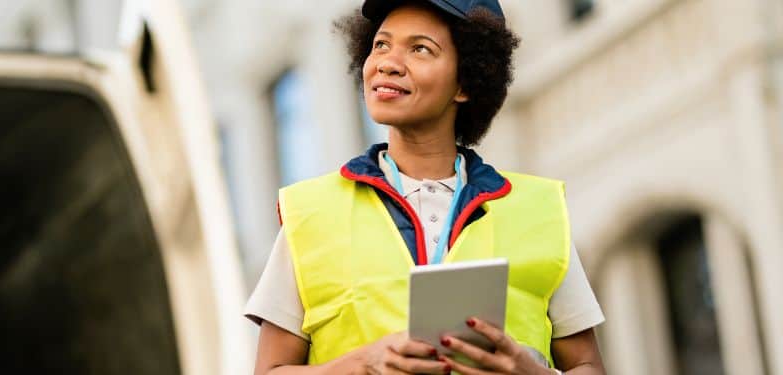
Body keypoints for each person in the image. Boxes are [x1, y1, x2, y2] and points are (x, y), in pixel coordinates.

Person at [244, 0, 608, 374]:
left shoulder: (537, 210)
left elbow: (587, 366)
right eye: (381, 45)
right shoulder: (311, 214)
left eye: (420, 49)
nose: (387, 63)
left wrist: (529, 372)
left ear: (465, 82)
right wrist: (364, 363)